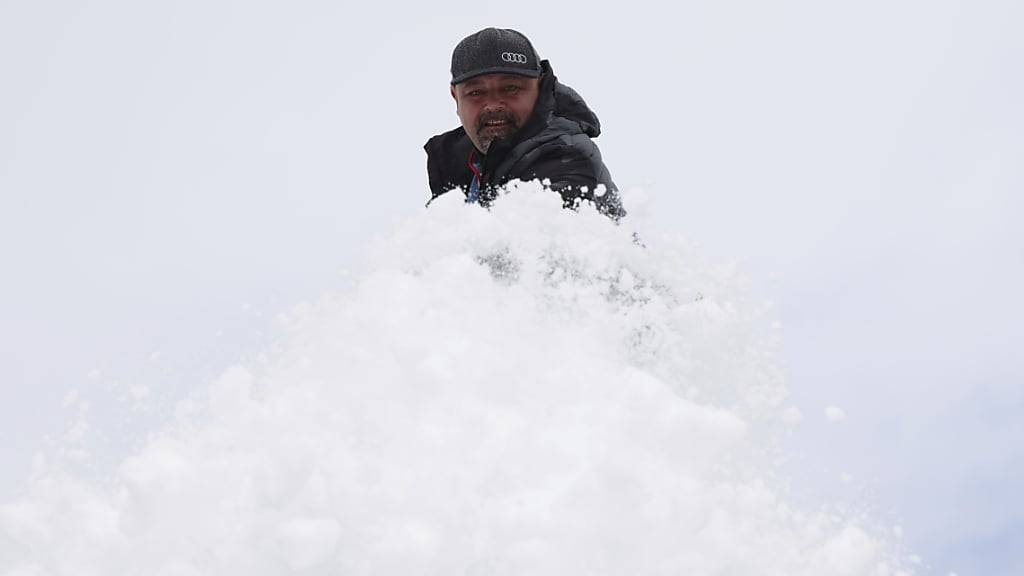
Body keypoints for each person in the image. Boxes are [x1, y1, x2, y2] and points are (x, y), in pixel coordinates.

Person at [424, 28, 625, 220]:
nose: (493, 105)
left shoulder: (565, 155)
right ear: (455, 97)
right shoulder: (459, 163)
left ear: (540, 87)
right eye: (476, 92)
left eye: (510, 88)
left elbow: (520, 251)